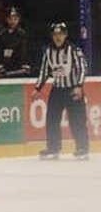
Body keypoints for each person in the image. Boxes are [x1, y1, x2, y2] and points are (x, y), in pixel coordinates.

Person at [35, 22, 89, 160]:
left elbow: (83, 67)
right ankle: (54, 148)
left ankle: (82, 148)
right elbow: (44, 70)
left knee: (77, 120)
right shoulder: (48, 51)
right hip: (57, 90)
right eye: (55, 34)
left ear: (65, 35)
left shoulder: (73, 49)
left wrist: (78, 86)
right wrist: (37, 88)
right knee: (52, 119)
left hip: (73, 90)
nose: (58, 37)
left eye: (60, 34)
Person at [0, 6, 32, 78]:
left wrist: (25, 64)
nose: (13, 21)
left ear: (19, 19)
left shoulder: (22, 34)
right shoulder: (1, 33)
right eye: (10, 19)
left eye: (15, 19)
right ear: (7, 19)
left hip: (18, 67)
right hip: (4, 66)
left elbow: (25, 53)